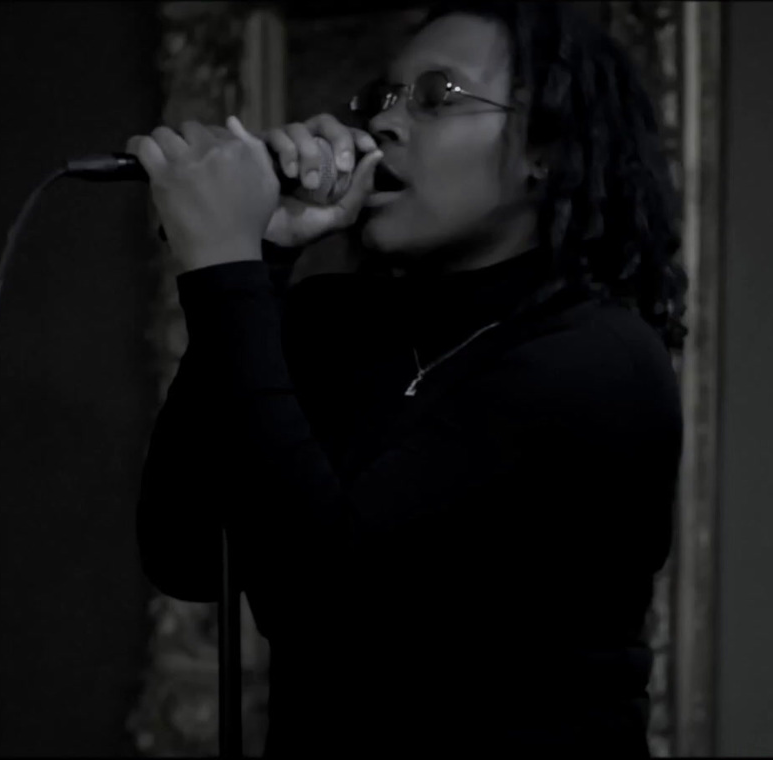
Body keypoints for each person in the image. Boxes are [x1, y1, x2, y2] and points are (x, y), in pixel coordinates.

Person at [131, 2, 686, 754]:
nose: (383, 125)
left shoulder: (596, 362)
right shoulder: (330, 321)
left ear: (545, 149)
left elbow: (332, 606)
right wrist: (260, 264)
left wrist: (224, 271)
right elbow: (186, 551)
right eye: (382, 99)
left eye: (436, 97)